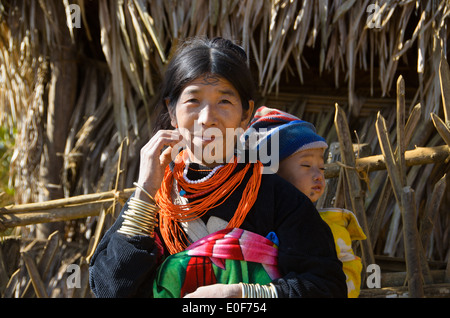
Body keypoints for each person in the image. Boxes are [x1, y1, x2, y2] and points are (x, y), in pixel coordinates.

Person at [88, 37, 347, 298]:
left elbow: (327, 287)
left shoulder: (278, 199)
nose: (207, 118)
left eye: (224, 101)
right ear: (172, 110)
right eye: (193, 101)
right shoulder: (155, 199)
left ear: (246, 114)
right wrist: (144, 191)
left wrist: (244, 295)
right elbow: (111, 290)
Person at [246, 106, 367, 298]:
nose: (318, 175)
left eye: (322, 168)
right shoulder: (249, 224)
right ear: (272, 174)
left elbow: (346, 285)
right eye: (306, 165)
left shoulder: (331, 227)